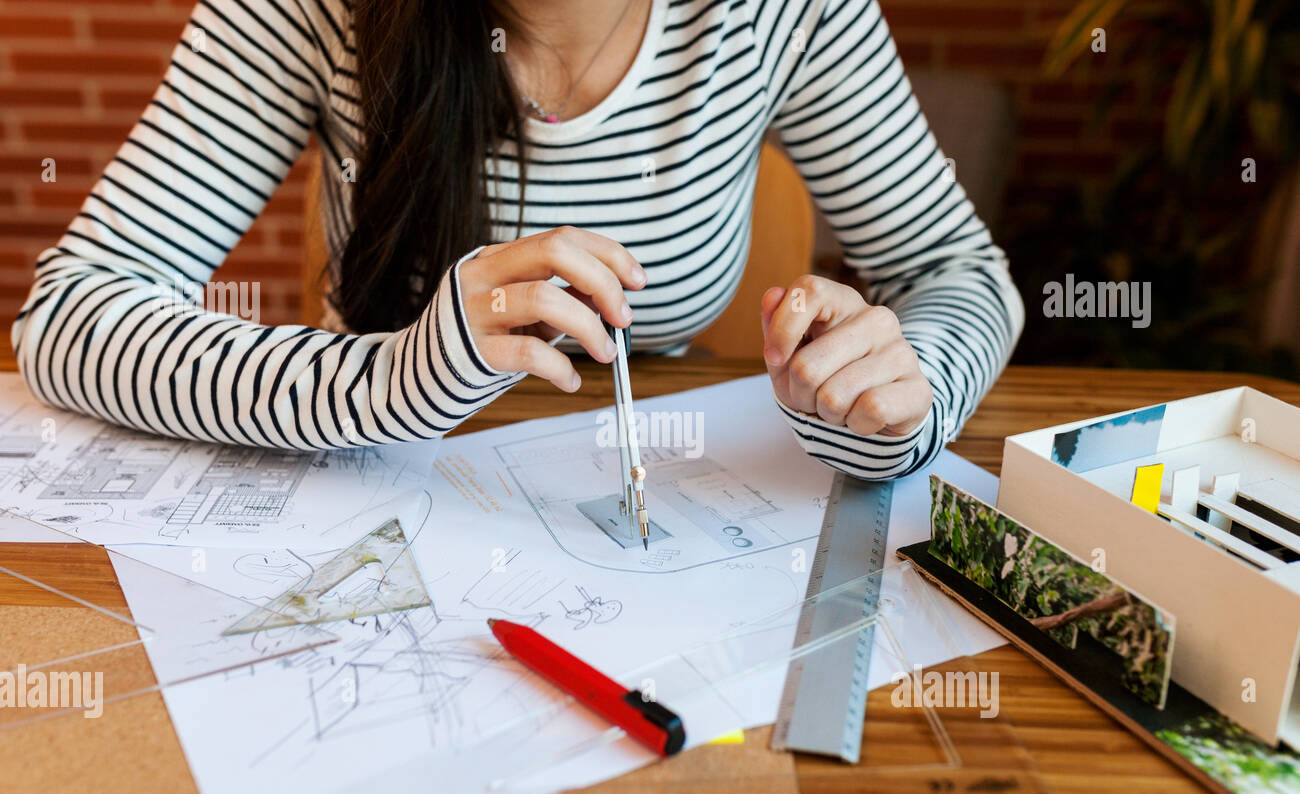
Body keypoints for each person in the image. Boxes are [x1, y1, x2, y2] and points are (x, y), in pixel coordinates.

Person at [12, 0, 1023, 479]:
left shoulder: (781, 16)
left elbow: (955, 270)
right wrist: (392, 378)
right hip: (351, 486)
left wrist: (894, 396)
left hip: (665, 489)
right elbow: (70, 314)